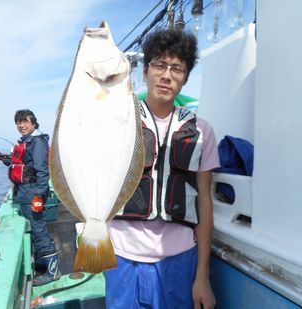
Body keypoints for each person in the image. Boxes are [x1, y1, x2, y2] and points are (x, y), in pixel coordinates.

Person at [106, 29, 219, 309]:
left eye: (177, 68)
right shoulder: (117, 121)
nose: (167, 75)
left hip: (180, 259)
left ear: (186, 77)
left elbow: (204, 201)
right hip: (121, 257)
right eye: (159, 65)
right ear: (145, 72)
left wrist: (202, 276)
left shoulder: (202, 131)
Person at [0, 109, 60, 286]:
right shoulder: (27, 142)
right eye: (18, 122)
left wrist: (38, 196)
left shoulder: (37, 142)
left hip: (31, 193)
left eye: (24, 121)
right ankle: (43, 261)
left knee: (38, 229)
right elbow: (18, 163)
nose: (21, 125)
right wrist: (0, 157)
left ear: (33, 123)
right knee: (37, 228)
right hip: (24, 193)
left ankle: (53, 271)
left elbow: (42, 171)